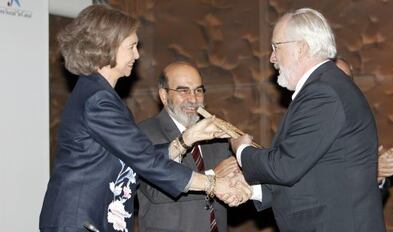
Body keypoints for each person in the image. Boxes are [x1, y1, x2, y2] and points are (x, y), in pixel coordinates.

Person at [39, 5, 250, 232]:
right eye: (131, 47)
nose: (137, 55)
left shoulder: (98, 93)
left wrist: (185, 139)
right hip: (80, 222)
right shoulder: (98, 99)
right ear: (107, 47)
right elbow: (146, 162)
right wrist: (212, 184)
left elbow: (134, 156)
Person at [230, 8, 386, 232]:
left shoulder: (323, 91)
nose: (272, 58)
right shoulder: (326, 86)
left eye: (276, 47)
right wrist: (252, 190)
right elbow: (310, 172)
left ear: (301, 48)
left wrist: (242, 150)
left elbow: (285, 166)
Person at [137, 61, 243, 232]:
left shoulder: (216, 132)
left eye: (198, 91)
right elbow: (155, 192)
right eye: (183, 91)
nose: (193, 99)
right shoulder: (144, 133)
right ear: (164, 96)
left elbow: (232, 180)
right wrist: (212, 176)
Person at [334, 57, 393, 200]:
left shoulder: (357, 124)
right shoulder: (307, 123)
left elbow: (372, 201)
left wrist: (379, 176)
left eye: (347, 80)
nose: (341, 86)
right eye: (335, 79)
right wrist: (370, 172)